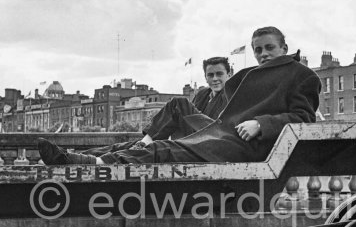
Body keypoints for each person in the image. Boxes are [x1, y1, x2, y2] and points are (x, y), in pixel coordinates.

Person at [38, 26, 321, 165]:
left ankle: (95, 163)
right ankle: (76, 156)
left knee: (164, 150)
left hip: (248, 144)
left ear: (284, 47)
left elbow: (304, 118)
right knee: (170, 118)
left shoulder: (301, 75)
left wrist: (262, 123)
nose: (262, 55)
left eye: (269, 48)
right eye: (257, 49)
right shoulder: (251, 74)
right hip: (226, 132)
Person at [72, 57, 230, 157]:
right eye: (210, 75)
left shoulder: (232, 95)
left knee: (178, 103)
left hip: (211, 141)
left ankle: (143, 143)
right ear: (205, 77)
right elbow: (186, 122)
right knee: (126, 147)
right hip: (192, 138)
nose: (215, 79)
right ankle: (79, 157)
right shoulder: (202, 94)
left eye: (219, 74)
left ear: (229, 74)